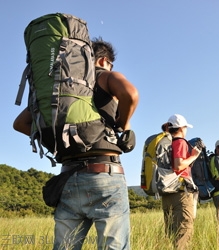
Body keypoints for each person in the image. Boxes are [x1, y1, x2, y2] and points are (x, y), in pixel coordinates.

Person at [13, 37, 139, 250]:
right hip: (104, 174)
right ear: (103, 60)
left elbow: (20, 124)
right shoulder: (104, 76)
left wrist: (59, 143)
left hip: (68, 178)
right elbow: (131, 94)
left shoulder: (58, 88)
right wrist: (124, 126)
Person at [161, 114, 201, 250]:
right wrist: (193, 156)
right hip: (180, 193)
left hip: (166, 192)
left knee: (172, 233)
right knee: (183, 235)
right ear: (182, 128)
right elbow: (178, 165)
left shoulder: (166, 143)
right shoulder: (180, 142)